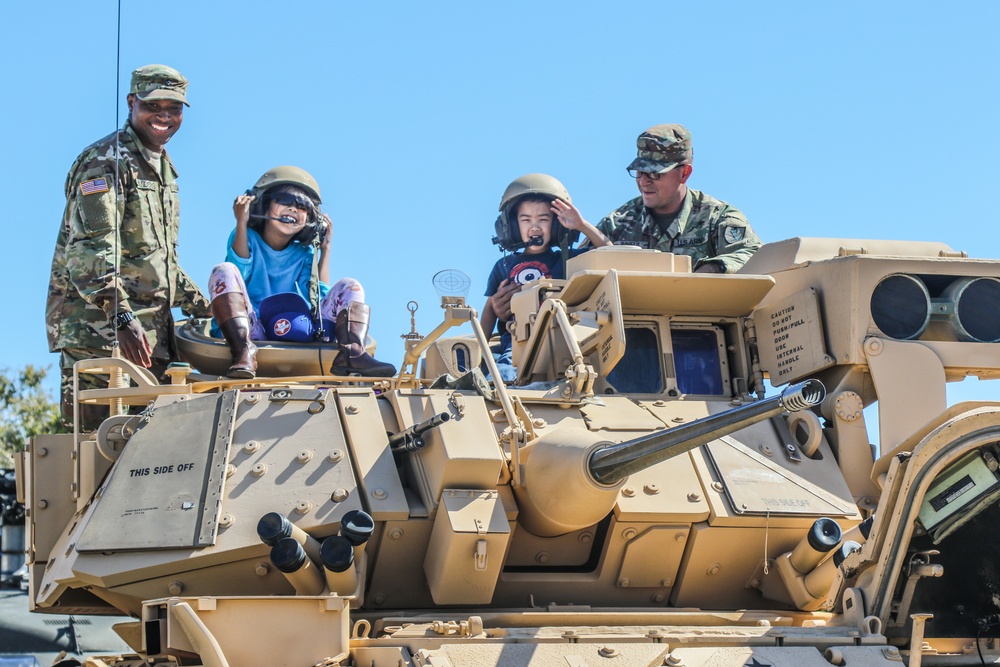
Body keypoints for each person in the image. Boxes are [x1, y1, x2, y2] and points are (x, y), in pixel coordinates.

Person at [46, 64, 210, 430]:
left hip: (150, 340)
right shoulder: (106, 162)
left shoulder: (162, 169)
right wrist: (120, 315)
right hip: (103, 338)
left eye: (175, 108)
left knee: (155, 460)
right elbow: (90, 250)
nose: (164, 117)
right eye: (154, 106)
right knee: (100, 457)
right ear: (132, 102)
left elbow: (157, 263)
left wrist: (208, 307)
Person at [207, 166, 396, 379]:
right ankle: (243, 351)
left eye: (303, 206)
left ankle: (351, 353)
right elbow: (239, 269)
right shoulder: (247, 237)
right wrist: (241, 222)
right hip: (252, 327)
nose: (294, 209)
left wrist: (324, 250)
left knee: (350, 285)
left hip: (290, 328)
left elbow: (319, 296)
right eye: (285, 201)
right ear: (265, 205)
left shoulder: (304, 252)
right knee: (224, 270)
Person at [481, 173, 608, 382]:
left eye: (543, 219)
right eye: (526, 220)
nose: (535, 226)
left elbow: (609, 254)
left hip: (562, 342)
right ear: (511, 226)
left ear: (557, 225)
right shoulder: (503, 266)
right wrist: (478, 351)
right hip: (516, 343)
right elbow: (489, 311)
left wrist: (581, 225)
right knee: (501, 376)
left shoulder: (567, 260)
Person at [593, 124, 762, 273]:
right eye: (639, 173)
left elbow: (754, 256)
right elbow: (577, 268)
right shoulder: (617, 224)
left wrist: (712, 269)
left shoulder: (717, 217)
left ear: (684, 173)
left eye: (654, 173)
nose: (644, 182)